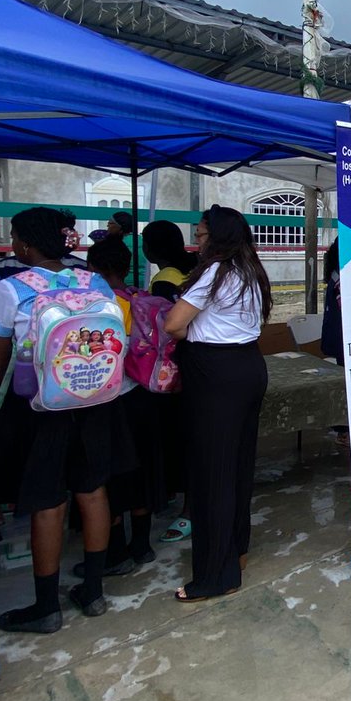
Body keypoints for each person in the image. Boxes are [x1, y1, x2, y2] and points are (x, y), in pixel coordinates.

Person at [0, 208, 124, 632]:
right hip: (95, 397)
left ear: (25, 244)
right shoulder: (93, 281)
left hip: (41, 409)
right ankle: (92, 591)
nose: (12, 244)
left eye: (14, 238)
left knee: (47, 501)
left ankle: (45, 607)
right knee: (92, 491)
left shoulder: (11, 288)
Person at [164, 205, 271, 601]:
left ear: (219, 237)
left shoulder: (215, 272)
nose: (197, 241)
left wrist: (191, 330)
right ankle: (235, 551)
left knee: (212, 474)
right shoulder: (251, 270)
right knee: (237, 467)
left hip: (216, 373)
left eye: (202, 234)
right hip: (247, 366)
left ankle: (215, 574)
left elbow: (173, 324)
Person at [84, 239, 160, 573]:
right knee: (141, 470)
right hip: (142, 395)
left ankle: (115, 553)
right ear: (127, 267)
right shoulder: (140, 301)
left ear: (92, 269)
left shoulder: (94, 306)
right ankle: (142, 545)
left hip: (108, 400)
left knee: (109, 477)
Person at [140, 220, 198, 546]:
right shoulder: (194, 269)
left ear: (151, 249)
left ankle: (187, 507)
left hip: (172, 369)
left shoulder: (164, 280)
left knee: (179, 438)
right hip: (197, 362)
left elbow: (163, 329)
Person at [106, 210, 146, 288]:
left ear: (120, 226)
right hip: (142, 283)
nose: (108, 226)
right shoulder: (142, 240)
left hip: (121, 285)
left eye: (110, 223)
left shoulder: (117, 243)